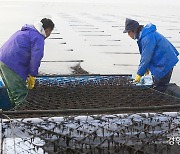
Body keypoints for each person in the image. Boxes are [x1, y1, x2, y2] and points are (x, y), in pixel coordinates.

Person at [0, 18, 54, 109]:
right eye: (50, 32)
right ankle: (22, 117)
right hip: (12, 64)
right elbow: (35, 58)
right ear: (47, 30)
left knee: (12, 90)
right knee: (20, 93)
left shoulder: (27, 31)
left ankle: (14, 110)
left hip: (3, 60)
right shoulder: (38, 37)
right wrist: (32, 74)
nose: (49, 34)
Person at [123, 18, 179, 91]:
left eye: (128, 33)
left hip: (165, 62)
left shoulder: (147, 38)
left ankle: (160, 100)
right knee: (157, 84)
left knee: (160, 87)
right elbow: (149, 55)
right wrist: (146, 67)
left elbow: (146, 57)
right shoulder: (145, 34)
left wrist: (139, 74)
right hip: (163, 60)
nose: (128, 35)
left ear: (133, 30)